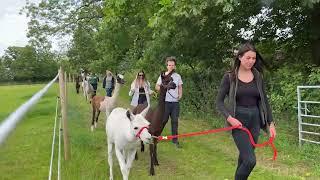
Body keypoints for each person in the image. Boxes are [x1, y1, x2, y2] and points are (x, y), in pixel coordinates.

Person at [216, 42, 276, 180]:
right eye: (248, 58)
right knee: (250, 160)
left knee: (244, 158)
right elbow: (219, 102)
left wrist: (270, 123)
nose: (251, 61)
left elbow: (264, 101)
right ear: (240, 57)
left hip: (255, 120)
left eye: (254, 58)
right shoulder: (229, 77)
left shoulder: (258, 76)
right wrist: (230, 118)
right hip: (238, 121)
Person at [155, 56, 183, 148]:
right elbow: (157, 87)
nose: (171, 66)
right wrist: (163, 88)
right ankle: (157, 136)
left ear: (175, 66)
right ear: (167, 65)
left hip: (175, 103)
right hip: (165, 102)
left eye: (172, 65)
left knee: (175, 121)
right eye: (169, 65)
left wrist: (180, 95)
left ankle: (175, 140)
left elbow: (180, 87)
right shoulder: (163, 76)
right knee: (163, 120)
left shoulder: (177, 76)